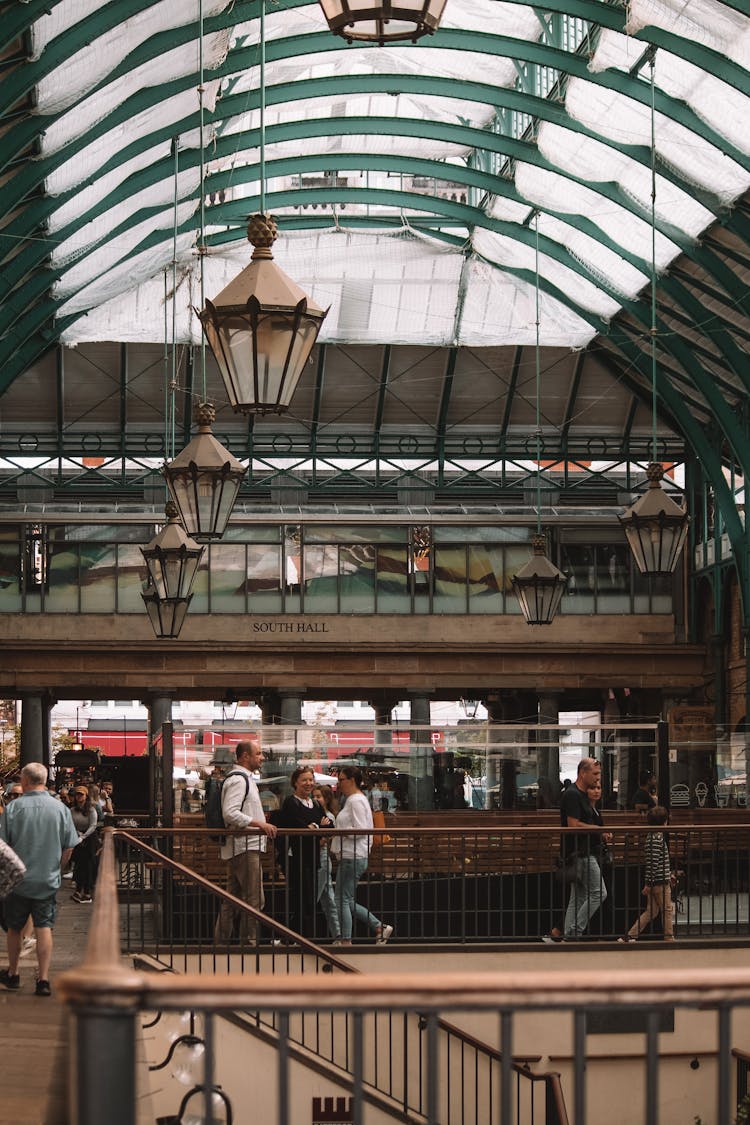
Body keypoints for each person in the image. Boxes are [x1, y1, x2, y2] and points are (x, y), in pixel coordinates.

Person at [0, 762, 78, 996]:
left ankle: (13, 974)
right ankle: (43, 979)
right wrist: (58, 868)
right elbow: (69, 846)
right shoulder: (60, 809)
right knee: (44, 927)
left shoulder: (13, 809)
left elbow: (3, 845)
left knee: (14, 929)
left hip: (18, 880)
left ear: (24, 781)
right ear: (44, 780)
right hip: (47, 879)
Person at [214, 740, 277, 945]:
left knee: (231, 899)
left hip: (240, 846)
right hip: (245, 846)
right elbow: (230, 813)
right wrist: (258, 823)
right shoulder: (240, 781)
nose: (262, 757)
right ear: (244, 757)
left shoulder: (241, 779)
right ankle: (248, 945)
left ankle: (221, 943)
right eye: (258, 753)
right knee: (254, 899)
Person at [544, 757, 610, 943]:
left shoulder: (579, 795)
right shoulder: (573, 795)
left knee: (578, 897)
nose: (598, 778)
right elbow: (573, 824)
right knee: (599, 893)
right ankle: (574, 933)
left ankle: (568, 935)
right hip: (580, 852)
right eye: (595, 774)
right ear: (583, 773)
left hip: (579, 852)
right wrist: (598, 830)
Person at [332, 765, 392, 946]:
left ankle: (346, 940)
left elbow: (360, 830)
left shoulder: (355, 801)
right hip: (353, 855)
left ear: (351, 780)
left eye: (341, 780)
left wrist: (341, 831)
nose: (339, 783)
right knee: (345, 899)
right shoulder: (354, 800)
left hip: (353, 855)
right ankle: (378, 926)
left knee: (341, 899)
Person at [279, 767, 335, 938]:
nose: (308, 783)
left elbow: (329, 826)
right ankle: (296, 937)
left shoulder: (316, 804)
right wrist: (317, 826)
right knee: (300, 899)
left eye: (311, 779)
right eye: (304, 780)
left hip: (313, 857)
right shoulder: (291, 802)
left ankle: (302, 937)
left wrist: (315, 827)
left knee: (310, 900)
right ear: (295, 782)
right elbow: (298, 827)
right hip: (296, 858)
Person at [619, 806, 675, 943]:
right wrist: (649, 883)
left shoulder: (651, 837)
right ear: (664, 822)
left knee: (651, 911)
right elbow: (654, 863)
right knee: (667, 909)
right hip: (659, 882)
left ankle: (631, 935)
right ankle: (669, 937)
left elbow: (653, 862)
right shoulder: (657, 838)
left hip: (655, 880)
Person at [313, 783, 340, 942]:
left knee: (312, 898)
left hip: (321, 860)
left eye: (319, 796)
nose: (315, 799)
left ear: (327, 799)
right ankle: (338, 935)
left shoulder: (328, 816)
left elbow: (322, 841)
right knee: (328, 900)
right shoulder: (318, 814)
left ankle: (295, 935)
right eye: (314, 796)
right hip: (322, 860)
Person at [69, 785, 99, 903]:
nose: (78, 797)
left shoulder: (91, 809)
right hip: (77, 837)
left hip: (89, 839)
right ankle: (78, 890)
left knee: (88, 866)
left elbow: (93, 825)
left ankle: (87, 892)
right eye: (77, 794)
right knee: (78, 865)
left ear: (86, 796)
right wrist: (78, 834)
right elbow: (70, 823)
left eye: (81, 794)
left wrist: (84, 836)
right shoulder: (72, 810)